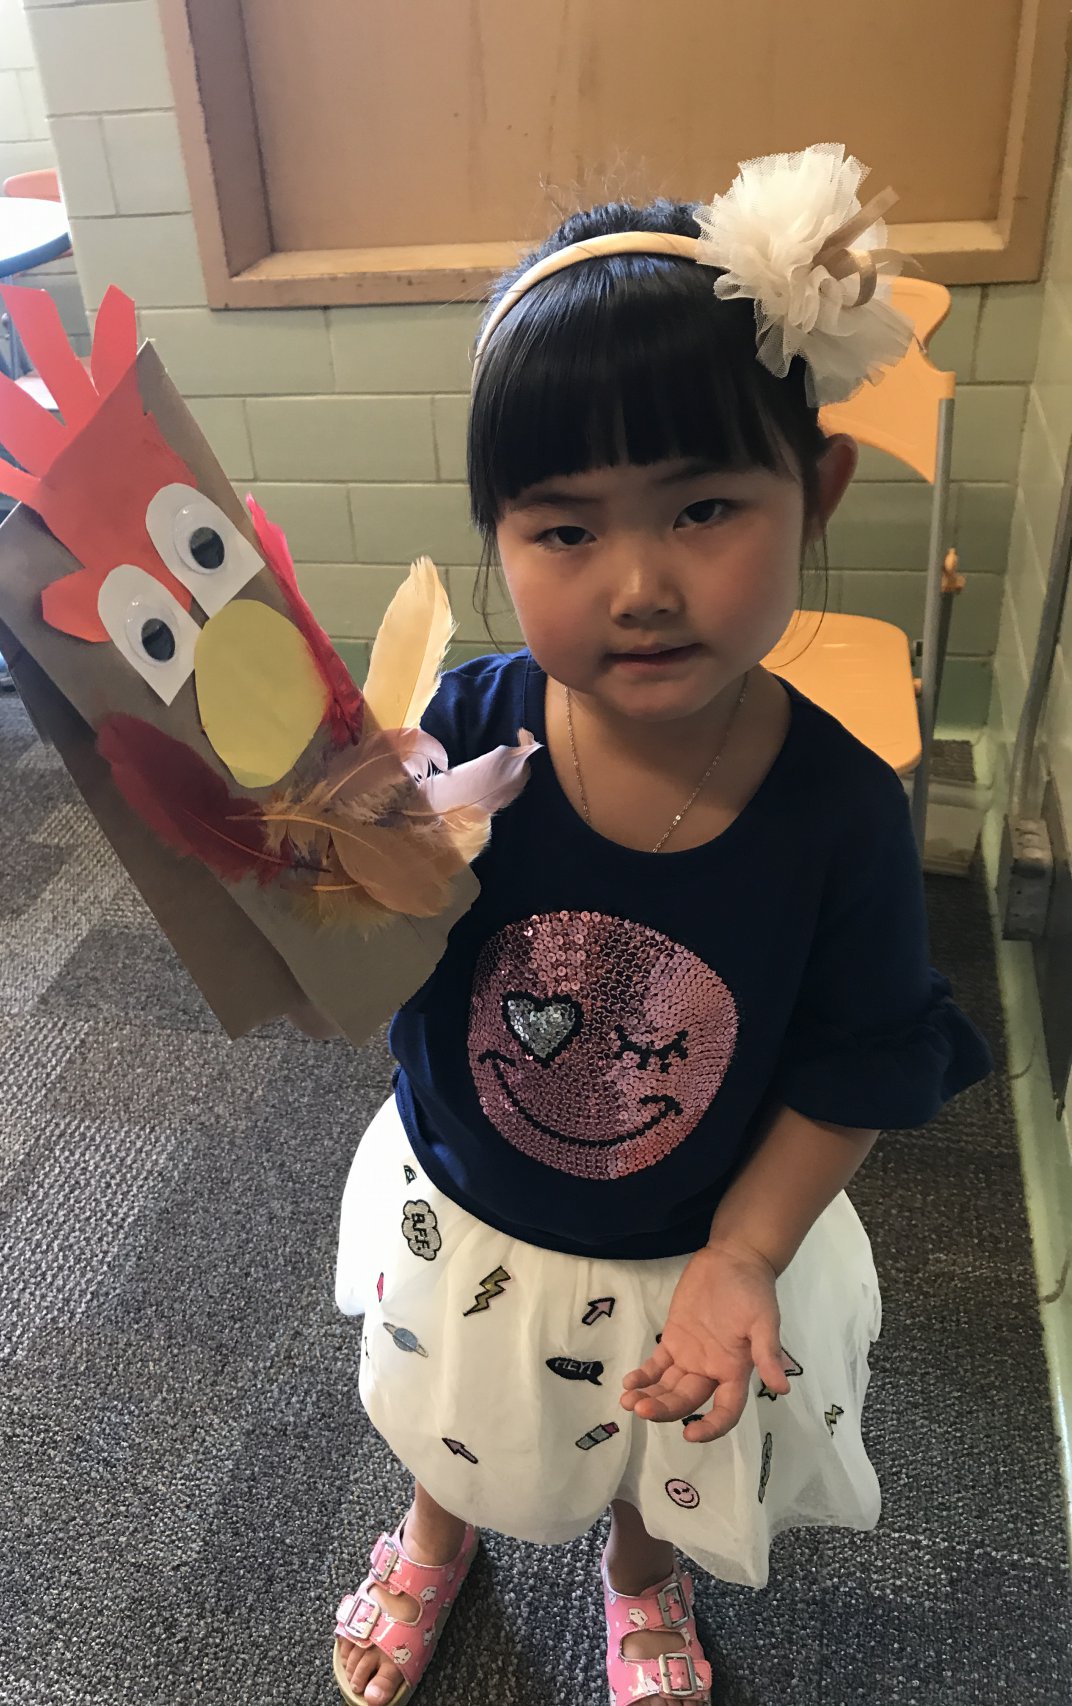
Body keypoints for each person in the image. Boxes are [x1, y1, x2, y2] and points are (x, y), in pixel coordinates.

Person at [329, 144, 993, 1706]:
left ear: (814, 491)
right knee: (455, 1395)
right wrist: (326, 869)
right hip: (478, 1197)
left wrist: (749, 1251)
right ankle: (435, 1534)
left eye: (702, 507)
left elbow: (857, 1058)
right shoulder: (462, 728)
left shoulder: (839, 812)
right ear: (497, 533)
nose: (638, 584)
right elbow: (368, 947)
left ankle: (642, 1579)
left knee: (663, 1426)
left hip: (696, 1233)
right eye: (565, 529)